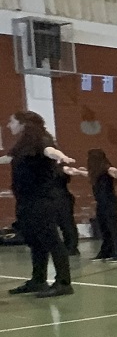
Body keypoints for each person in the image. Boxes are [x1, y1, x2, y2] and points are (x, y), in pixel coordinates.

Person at [1, 111, 77, 297]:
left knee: (51, 239)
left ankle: (64, 283)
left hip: (41, 200)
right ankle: (38, 280)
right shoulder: (23, 145)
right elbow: (8, 158)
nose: (9, 125)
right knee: (35, 241)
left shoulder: (41, 139)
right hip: (26, 200)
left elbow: (49, 150)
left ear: (23, 123)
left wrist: (61, 156)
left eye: (12, 121)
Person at [85, 149, 117, 261]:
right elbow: (86, 173)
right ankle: (106, 252)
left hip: (110, 202)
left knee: (113, 227)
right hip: (101, 203)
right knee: (104, 228)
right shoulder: (96, 172)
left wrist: (116, 173)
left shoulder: (107, 169)